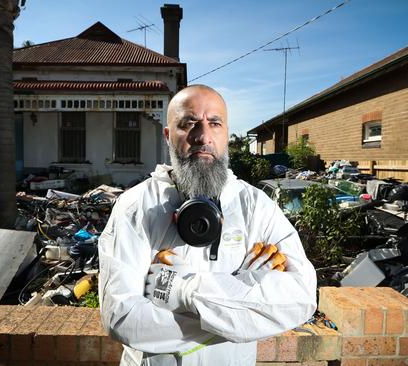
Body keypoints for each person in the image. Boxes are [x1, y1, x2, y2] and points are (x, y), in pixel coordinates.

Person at [98, 84, 317, 366]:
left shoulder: (256, 207)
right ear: (168, 135)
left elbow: (300, 299)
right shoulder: (136, 207)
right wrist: (242, 309)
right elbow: (123, 318)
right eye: (188, 123)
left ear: (226, 135)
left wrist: (183, 291)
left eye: (214, 123)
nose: (203, 136)